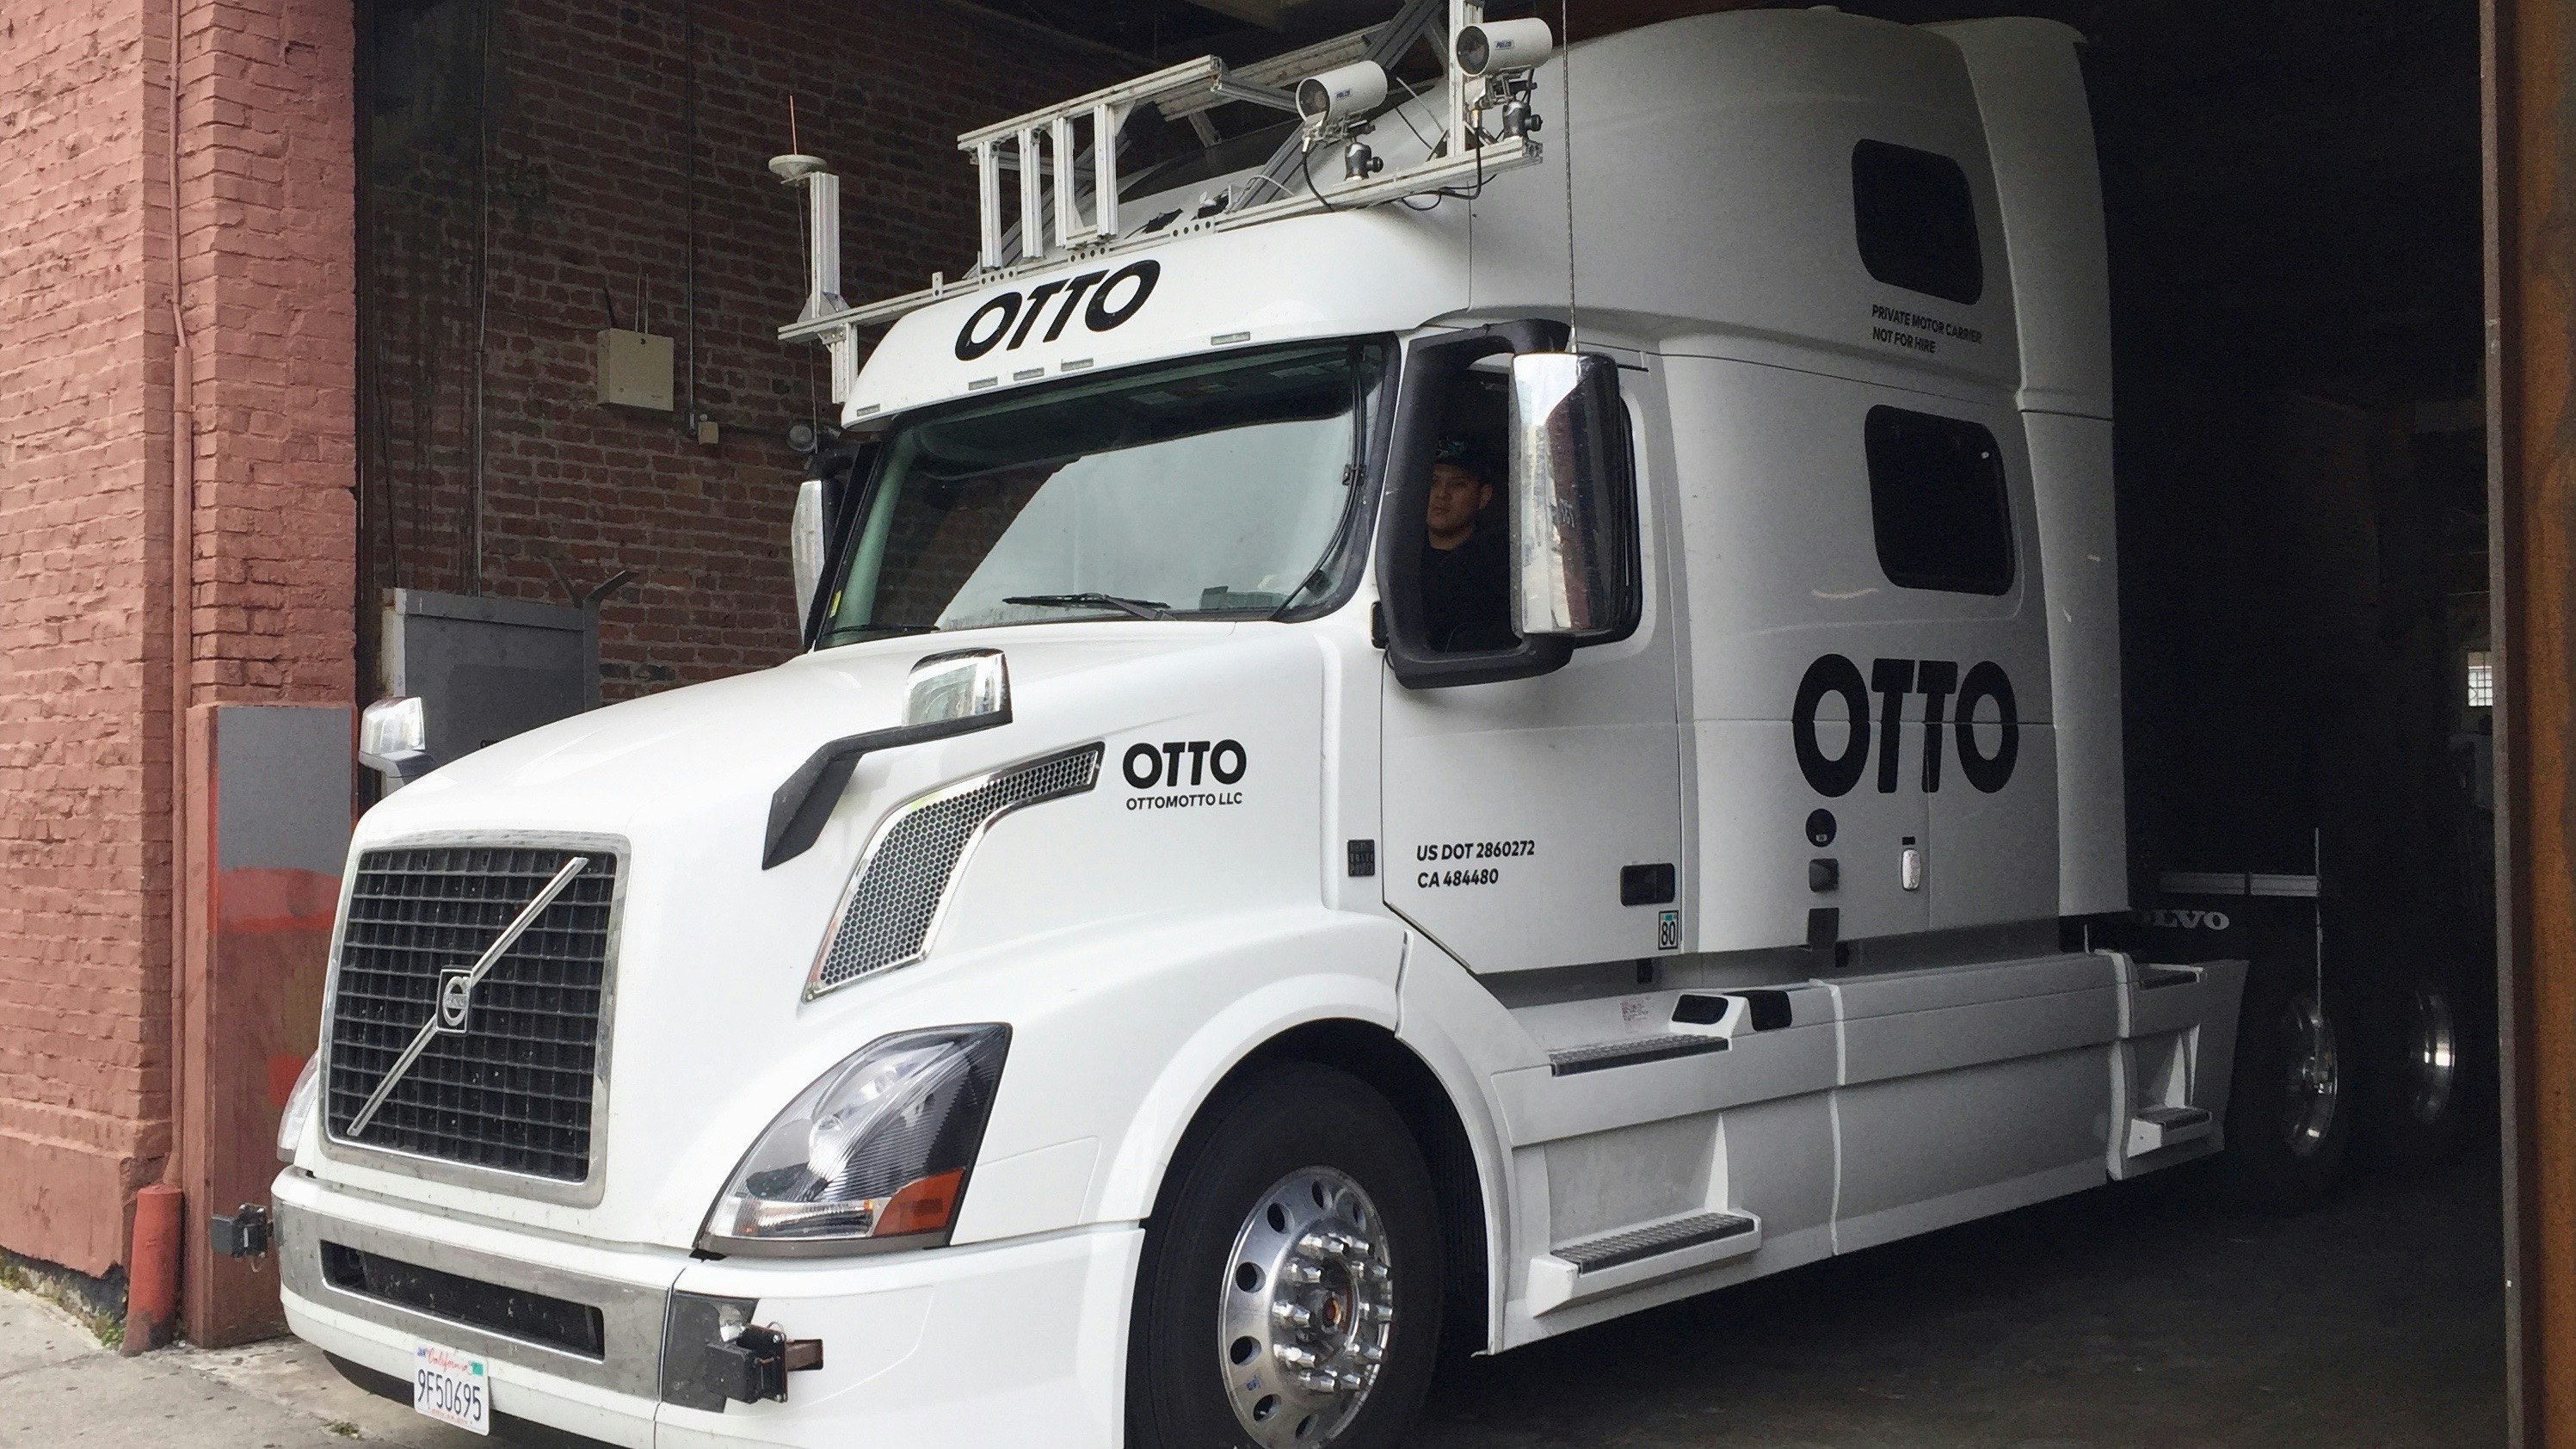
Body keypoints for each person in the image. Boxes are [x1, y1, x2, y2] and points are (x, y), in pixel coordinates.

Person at [1418, 442, 1515, 651]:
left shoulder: (1501, 570)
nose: (1442, 494)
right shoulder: (1391, 559)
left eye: (1458, 484)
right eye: (1433, 482)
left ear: (1483, 496)